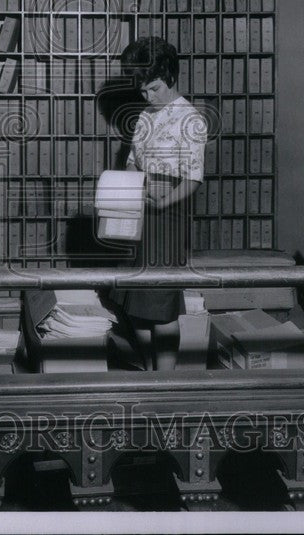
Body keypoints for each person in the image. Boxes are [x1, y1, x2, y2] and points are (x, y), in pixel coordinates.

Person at [109, 36, 207, 371]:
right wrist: (137, 179)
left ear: (171, 77)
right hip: (140, 208)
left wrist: (164, 200)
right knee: (135, 302)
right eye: (143, 91)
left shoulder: (190, 119)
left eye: (155, 88)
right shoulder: (146, 116)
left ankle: (167, 382)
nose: (149, 97)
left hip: (168, 215)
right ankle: (150, 373)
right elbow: (133, 160)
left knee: (161, 304)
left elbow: (193, 179)